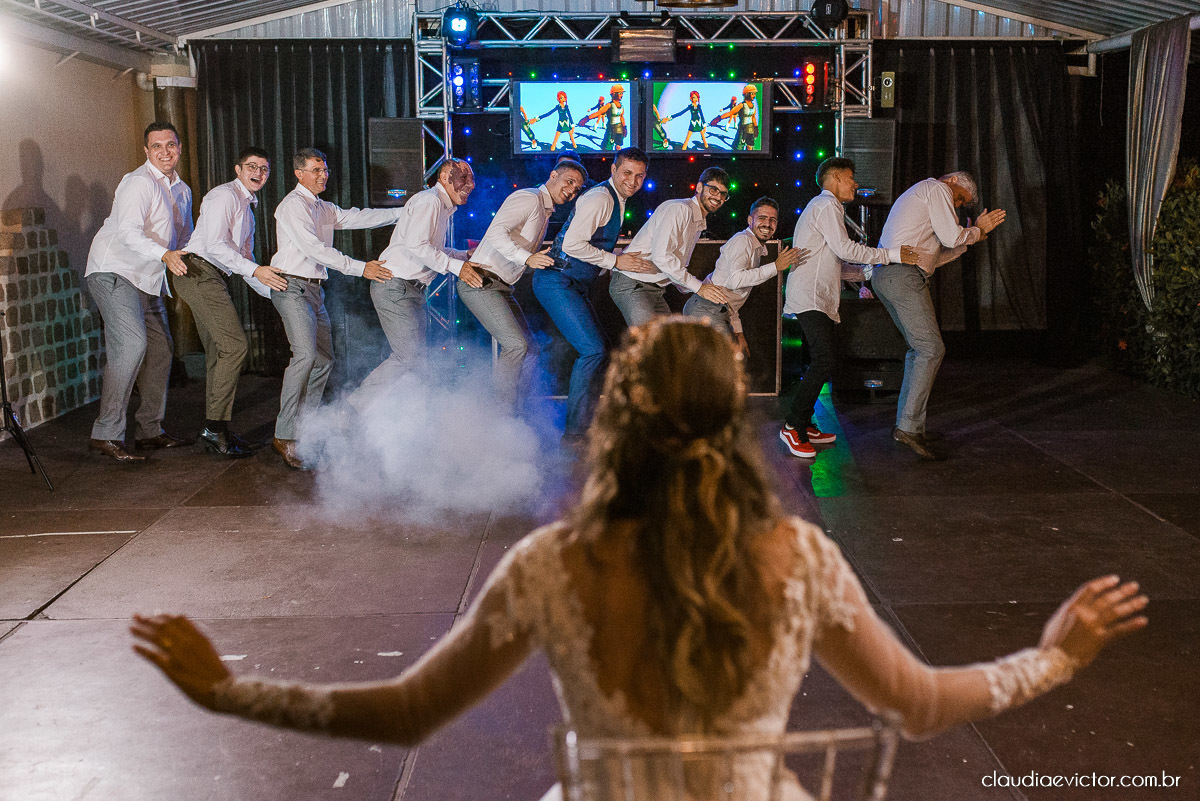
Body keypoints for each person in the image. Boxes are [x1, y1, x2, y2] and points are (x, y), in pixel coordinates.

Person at [133, 317, 1147, 801]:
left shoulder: (550, 562)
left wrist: (228, 691)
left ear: (617, 414)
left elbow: (406, 712)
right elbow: (921, 705)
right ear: (730, 417)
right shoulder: (799, 556)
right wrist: (1057, 657)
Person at [269, 148, 399, 470]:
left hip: (313, 290)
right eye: (315, 170)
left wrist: (404, 211)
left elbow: (358, 217)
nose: (323, 175)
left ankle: (307, 430)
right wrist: (360, 267)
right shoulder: (292, 206)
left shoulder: (322, 207)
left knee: (324, 359)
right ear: (299, 173)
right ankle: (284, 434)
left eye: (324, 169)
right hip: (291, 287)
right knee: (305, 356)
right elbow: (315, 249)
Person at [781, 158, 919, 460]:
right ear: (834, 178)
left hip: (816, 297)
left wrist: (870, 272)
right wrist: (892, 254)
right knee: (824, 360)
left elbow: (835, 264)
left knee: (822, 360)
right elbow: (845, 249)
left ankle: (803, 422)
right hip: (812, 298)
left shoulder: (822, 207)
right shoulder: (827, 205)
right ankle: (793, 425)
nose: (855, 184)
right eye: (850, 178)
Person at [872, 172, 1007, 460]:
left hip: (894, 276)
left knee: (920, 350)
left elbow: (938, 254)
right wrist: (977, 230)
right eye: (960, 198)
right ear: (952, 181)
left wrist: (972, 238)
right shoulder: (936, 188)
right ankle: (908, 427)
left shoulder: (926, 196)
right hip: (902, 276)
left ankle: (911, 425)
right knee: (930, 349)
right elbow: (952, 235)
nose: (957, 205)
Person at [86, 121, 194, 463]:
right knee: (132, 344)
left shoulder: (181, 189)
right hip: (114, 270)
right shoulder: (138, 183)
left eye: (171, 145)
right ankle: (105, 434)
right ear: (146, 151)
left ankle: (150, 431)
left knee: (161, 350)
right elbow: (128, 234)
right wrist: (164, 255)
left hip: (147, 280)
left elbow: (186, 237)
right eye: (157, 146)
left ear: (179, 148)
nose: (165, 152)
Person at [536, 147, 655, 445]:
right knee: (592, 351)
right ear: (613, 170)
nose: (633, 180)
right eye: (627, 173)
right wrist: (616, 261)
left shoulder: (617, 198)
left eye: (640, 175)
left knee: (600, 351)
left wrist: (620, 257)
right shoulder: (601, 197)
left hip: (572, 283)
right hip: (556, 280)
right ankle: (575, 433)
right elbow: (573, 245)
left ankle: (591, 422)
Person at [177, 147, 286, 458]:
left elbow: (246, 262)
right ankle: (214, 427)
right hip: (197, 270)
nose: (259, 173)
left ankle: (217, 429)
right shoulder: (225, 196)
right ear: (238, 170)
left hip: (210, 275)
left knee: (219, 351)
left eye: (264, 169)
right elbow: (214, 245)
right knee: (235, 346)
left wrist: (276, 294)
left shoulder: (247, 211)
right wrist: (255, 270)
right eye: (252, 166)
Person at [459, 162, 587, 412]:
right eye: (569, 182)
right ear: (553, 175)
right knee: (517, 346)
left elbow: (517, 252)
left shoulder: (544, 210)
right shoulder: (529, 198)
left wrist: (538, 258)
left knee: (531, 351)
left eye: (577, 188)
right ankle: (501, 417)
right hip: (481, 281)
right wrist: (528, 258)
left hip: (500, 286)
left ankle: (516, 413)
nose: (572, 190)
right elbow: (496, 233)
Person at [354, 159, 478, 396]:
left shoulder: (440, 206)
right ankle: (351, 411)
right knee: (407, 357)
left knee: (416, 359)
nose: (470, 184)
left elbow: (430, 249)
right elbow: (417, 246)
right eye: (464, 177)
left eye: (472, 179)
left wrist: (463, 255)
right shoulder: (429, 201)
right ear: (445, 178)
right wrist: (457, 267)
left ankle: (399, 418)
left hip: (409, 289)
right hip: (396, 286)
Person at [609, 167, 735, 328]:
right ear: (699, 187)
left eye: (723, 194)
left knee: (671, 345)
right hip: (633, 284)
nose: (718, 197)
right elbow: (662, 258)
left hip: (655, 290)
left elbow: (676, 266)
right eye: (714, 189)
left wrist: (705, 288)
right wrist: (699, 288)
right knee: (651, 345)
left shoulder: (698, 221)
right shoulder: (680, 209)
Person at [682, 196, 808, 357]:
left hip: (715, 310)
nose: (768, 224)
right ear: (750, 220)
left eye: (773, 220)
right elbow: (736, 280)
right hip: (705, 308)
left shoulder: (755, 248)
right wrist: (775, 266)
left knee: (724, 367)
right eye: (762, 218)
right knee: (721, 367)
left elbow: (730, 298)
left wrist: (738, 333)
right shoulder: (743, 241)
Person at [710, 84, 759, 151]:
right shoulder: (741, 105)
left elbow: (753, 117)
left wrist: (756, 128)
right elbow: (730, 113)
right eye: (752, 93)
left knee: (750, 147)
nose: (754, 96)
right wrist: (719, 118)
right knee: (739, 148)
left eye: (754, 94)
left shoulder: (753, 106)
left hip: (750, 129)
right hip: (743, 129)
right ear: (747, 94)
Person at [579, 84, 627, 151]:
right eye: (620, 93)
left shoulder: (621, 105)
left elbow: (621, 117)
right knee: (607, 147)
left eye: (622, 93)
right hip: (611, 129)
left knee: (618, 146)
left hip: (619, 128)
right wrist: (587, 118)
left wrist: (624, 127)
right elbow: (599, 113)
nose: (622, 95)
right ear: (614, 94)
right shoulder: (609, 105)